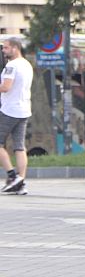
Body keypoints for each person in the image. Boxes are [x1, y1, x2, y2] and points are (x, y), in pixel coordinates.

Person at [0, 37, 33, 195]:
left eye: (6, 48)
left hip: (9, 110)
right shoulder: (27, 64)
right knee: (19, 146)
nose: (3, 51)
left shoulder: (11, 65)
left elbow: (6, 87)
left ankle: (12, 176)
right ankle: (21, 182)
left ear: (15, 48)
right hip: (24, 109)